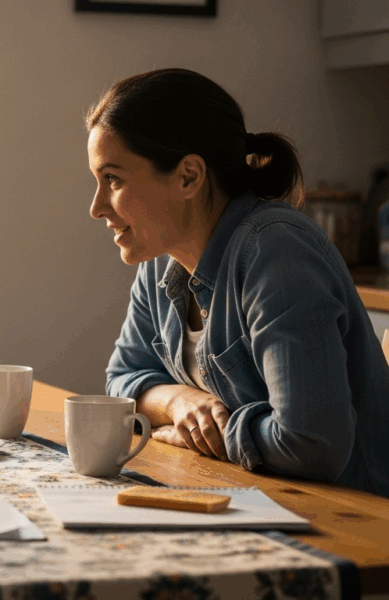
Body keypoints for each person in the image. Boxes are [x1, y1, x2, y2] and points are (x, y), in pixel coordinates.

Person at [87, 68, 389, 497]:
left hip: (355, 515)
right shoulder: (159, 259)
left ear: (189, 176)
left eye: (113, 180)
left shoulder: (276, 251)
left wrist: (210, 432)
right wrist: (178, 402)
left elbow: (312, 444)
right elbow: (122, 379)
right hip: (251, 496)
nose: (97, 207)